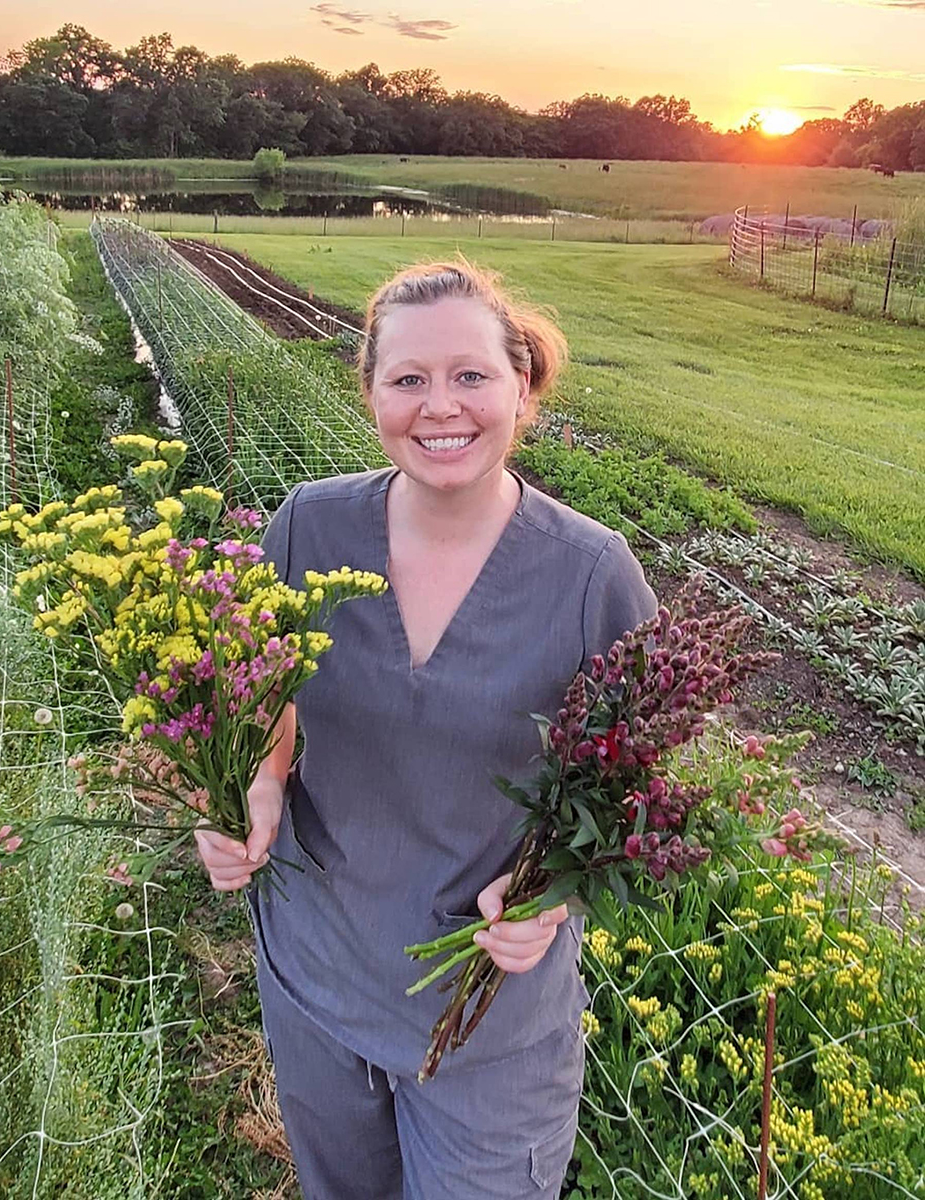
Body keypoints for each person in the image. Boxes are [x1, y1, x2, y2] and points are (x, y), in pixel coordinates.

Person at [194, 258, 656, 1199]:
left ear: (522, 386)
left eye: (471, 376)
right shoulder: (308, 529)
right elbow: (264, 693)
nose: (440, 407)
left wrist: (556, 897)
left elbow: (638, 788)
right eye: (408, 379)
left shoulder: (591, 575)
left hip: (489, 1008)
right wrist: (262, 781)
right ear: (369, 392)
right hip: (317, 966)